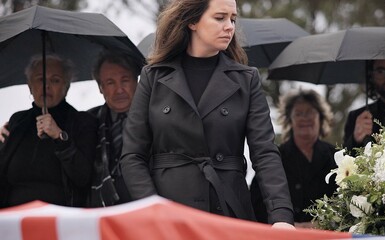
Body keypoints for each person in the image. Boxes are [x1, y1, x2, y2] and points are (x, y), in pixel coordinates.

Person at [120, 0, 294, 228]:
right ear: (192, 21)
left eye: (233, 19)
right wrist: (153, 208)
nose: (230, 26)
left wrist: (281, 216)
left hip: (228, 210)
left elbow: (265, 154)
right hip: (167, 214)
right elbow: (132, 156)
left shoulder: (246, 79)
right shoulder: (153, 77)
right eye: (220, 18)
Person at [0, 54, 98, 208]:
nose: (46, 86)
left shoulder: (82, 122)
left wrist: (60, 137)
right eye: (40, 79)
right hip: (14, 219)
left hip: (60, 220)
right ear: (29, 86)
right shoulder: (18, 121)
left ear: (66, 86)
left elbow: (83, 177)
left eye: (55, 80)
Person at [250, 89, 338, 226]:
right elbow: (257, 201)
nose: (304, 118)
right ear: (289, 120)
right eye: (298, 114)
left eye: (310, 112)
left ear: (321, 118)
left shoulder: (336, 156)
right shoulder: (274, 158)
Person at [87, 51, 140, 207]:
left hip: (150, 205)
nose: (119, 90)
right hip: (105, 209)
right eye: (110, 83)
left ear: (137, 81)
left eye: (125, 80)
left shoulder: (157, 116)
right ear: (100, 87)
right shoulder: (89, 121)